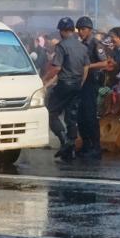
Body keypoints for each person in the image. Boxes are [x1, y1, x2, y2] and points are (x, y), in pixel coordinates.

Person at [45, 18, 88, 160]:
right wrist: (81, 82)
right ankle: (71, 146)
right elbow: (86, 67)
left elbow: (57, 67)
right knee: (71, 116)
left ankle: (65, 143)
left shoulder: (61, 46)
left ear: (62, 31)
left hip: (64, 84)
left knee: (51, 113)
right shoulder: (82, 46)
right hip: (77, 85)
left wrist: (44, 79)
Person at [72, 16, 111, 160]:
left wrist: (88, 66)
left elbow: (105, 63)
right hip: (82, 82)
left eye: (83, 29)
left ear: (89, 30)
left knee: (90, 115)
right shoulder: (80, 44)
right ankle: (86, 144)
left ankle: (96, 146)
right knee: (81, 116)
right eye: (79, 29)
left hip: (92, 82)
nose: (80, 32)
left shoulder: (96, 44)